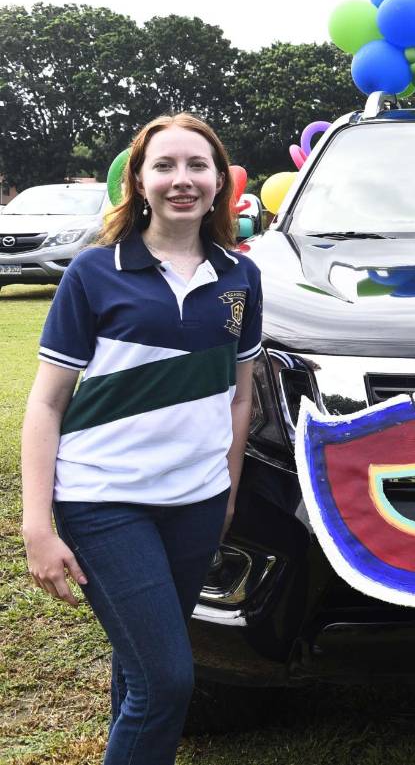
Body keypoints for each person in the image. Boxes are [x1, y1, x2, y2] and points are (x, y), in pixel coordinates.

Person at [20, 113, 262, 764]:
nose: (181, 179)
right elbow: (45, 403)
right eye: (164, 165)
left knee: (140, 666)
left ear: (220, 182)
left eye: (196, 165)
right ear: (138, 179)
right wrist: (36, 523)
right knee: (167, 679)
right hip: (103, 502)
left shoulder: (241, 276)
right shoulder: (95, 273)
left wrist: (229, 490)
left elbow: (240, 395)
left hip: (197, 503)